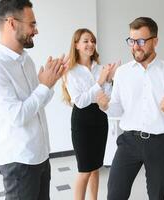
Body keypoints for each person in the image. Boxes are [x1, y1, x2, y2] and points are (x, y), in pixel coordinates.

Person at [96, 17, 164, 200]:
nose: (136, 46)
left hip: (158, 144)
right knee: (114, 193)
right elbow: (117, 109)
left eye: (141, 41)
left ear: (155, 41)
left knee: (158, 194)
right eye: (132, 41)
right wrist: (105, 106)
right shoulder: (122, 72)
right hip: (129, 142)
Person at [0, 0, 67, 199]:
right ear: (12, 23)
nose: (36, 31)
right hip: (19, 163)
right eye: (32, 24)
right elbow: (17, 116)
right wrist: (43, 86)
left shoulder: (26, 59)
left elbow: (36, 104)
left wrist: (50, 82)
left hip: (40, 157)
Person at [61, 28, 117, 200]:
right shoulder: (71, 71)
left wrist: (109, 80)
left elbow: (106, 97)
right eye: (86, 41)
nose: (91, 44)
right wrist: (100, 82)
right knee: (85, 169)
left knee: (95, 168)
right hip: (82, 121)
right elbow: (80, 101)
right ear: (76, 45)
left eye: (92, 41)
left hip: (100, 119)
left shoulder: (100, 68)